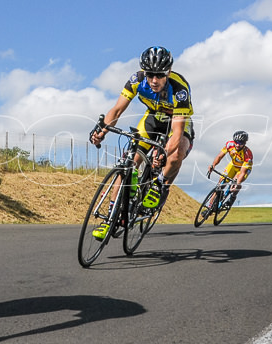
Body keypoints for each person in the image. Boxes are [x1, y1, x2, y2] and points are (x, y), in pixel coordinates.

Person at [89, 46, 194, 239]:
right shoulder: (136, 80)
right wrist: (102, 130)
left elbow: (177, 133)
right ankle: (110, 219)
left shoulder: (179, 90)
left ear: (168, 73)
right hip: (152, 118)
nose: (154, 80)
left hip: (176, 122)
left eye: (159, 75)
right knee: (128, 162)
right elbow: (117, 110)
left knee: (177, 152)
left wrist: (163, 153)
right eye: (150, 74)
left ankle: (159, 184)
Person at [207, 130, 253, 203]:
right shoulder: (229, 145)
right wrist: (213, 165)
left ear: (245, 143)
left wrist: (237, 184)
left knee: (235, 184)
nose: (237, 145)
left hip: (242, 170)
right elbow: (219, 156)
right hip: (233, 164)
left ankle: (232, 197)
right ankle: (210, 205)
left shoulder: (247, 154)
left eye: (240, 143)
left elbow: (242, 173)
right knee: (220, 183)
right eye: (236, 142)